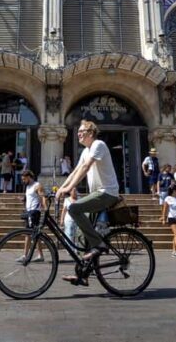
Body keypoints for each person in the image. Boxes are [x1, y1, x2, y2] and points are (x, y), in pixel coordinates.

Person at [55, 120, 121, 286]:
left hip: (107, 192)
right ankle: (84, 274)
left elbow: (86, 168)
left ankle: (99, 244)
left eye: (82, 131)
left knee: (74, 208)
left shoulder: (99, 144)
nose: (78, 133)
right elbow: (75, 171)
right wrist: (60, 188)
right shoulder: (85, 151)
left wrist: (69, 188)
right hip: (97, 194)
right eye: (78, 130)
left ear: (91, 133)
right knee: (85, 236)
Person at [17, 170, 47, 263]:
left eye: (24, 179)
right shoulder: (28, 186)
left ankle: (25, 255)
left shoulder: (37, 185)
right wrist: (23, 200)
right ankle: (40, 255)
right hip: (29, 212)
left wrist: (45, 207)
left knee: (28, 234)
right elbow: (29, 198)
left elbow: (42, 196)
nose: (23, 181)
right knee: (35, 234)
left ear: (29, 177)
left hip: (34, 212)